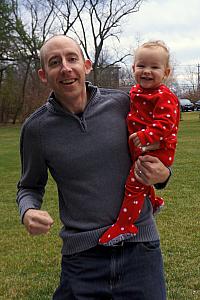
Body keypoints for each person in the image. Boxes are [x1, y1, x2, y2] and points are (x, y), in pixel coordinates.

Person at [17, 35, 171, 299]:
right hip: (82, 259)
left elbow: (159, 149)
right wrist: (28, 211)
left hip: (140, 250)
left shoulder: (123, 104)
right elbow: (29, 186)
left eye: (72, 58)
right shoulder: (36, 129)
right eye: (55, 62)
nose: (65, 67)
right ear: (44, 75)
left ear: (86, 65)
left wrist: (164, 174)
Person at [99, 40, 180, 246]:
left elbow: (166, 124)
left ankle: (125, 225)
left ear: (166, 72)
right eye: (142, 66)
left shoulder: (164, 96)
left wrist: (146, 135)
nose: (147, 71)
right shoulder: (135, 92)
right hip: (142, 147)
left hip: (158, 149)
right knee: (142, 178)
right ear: (133, 68)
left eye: (154, 67)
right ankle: (153, 201)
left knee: (134, 184)